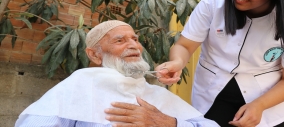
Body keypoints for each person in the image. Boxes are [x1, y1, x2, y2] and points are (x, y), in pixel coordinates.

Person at [104, 0, 284, 127]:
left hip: (265, 105)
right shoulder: (214, 4)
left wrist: (259, 105)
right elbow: (185, 45)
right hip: (212, 98)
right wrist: (177, 62)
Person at [15, 20, 219, 127]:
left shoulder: (157, 95)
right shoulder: (79, 85)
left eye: (135, 39)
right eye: (120, 41)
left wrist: (169, 123)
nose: (134, 46)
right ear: (95, 54)